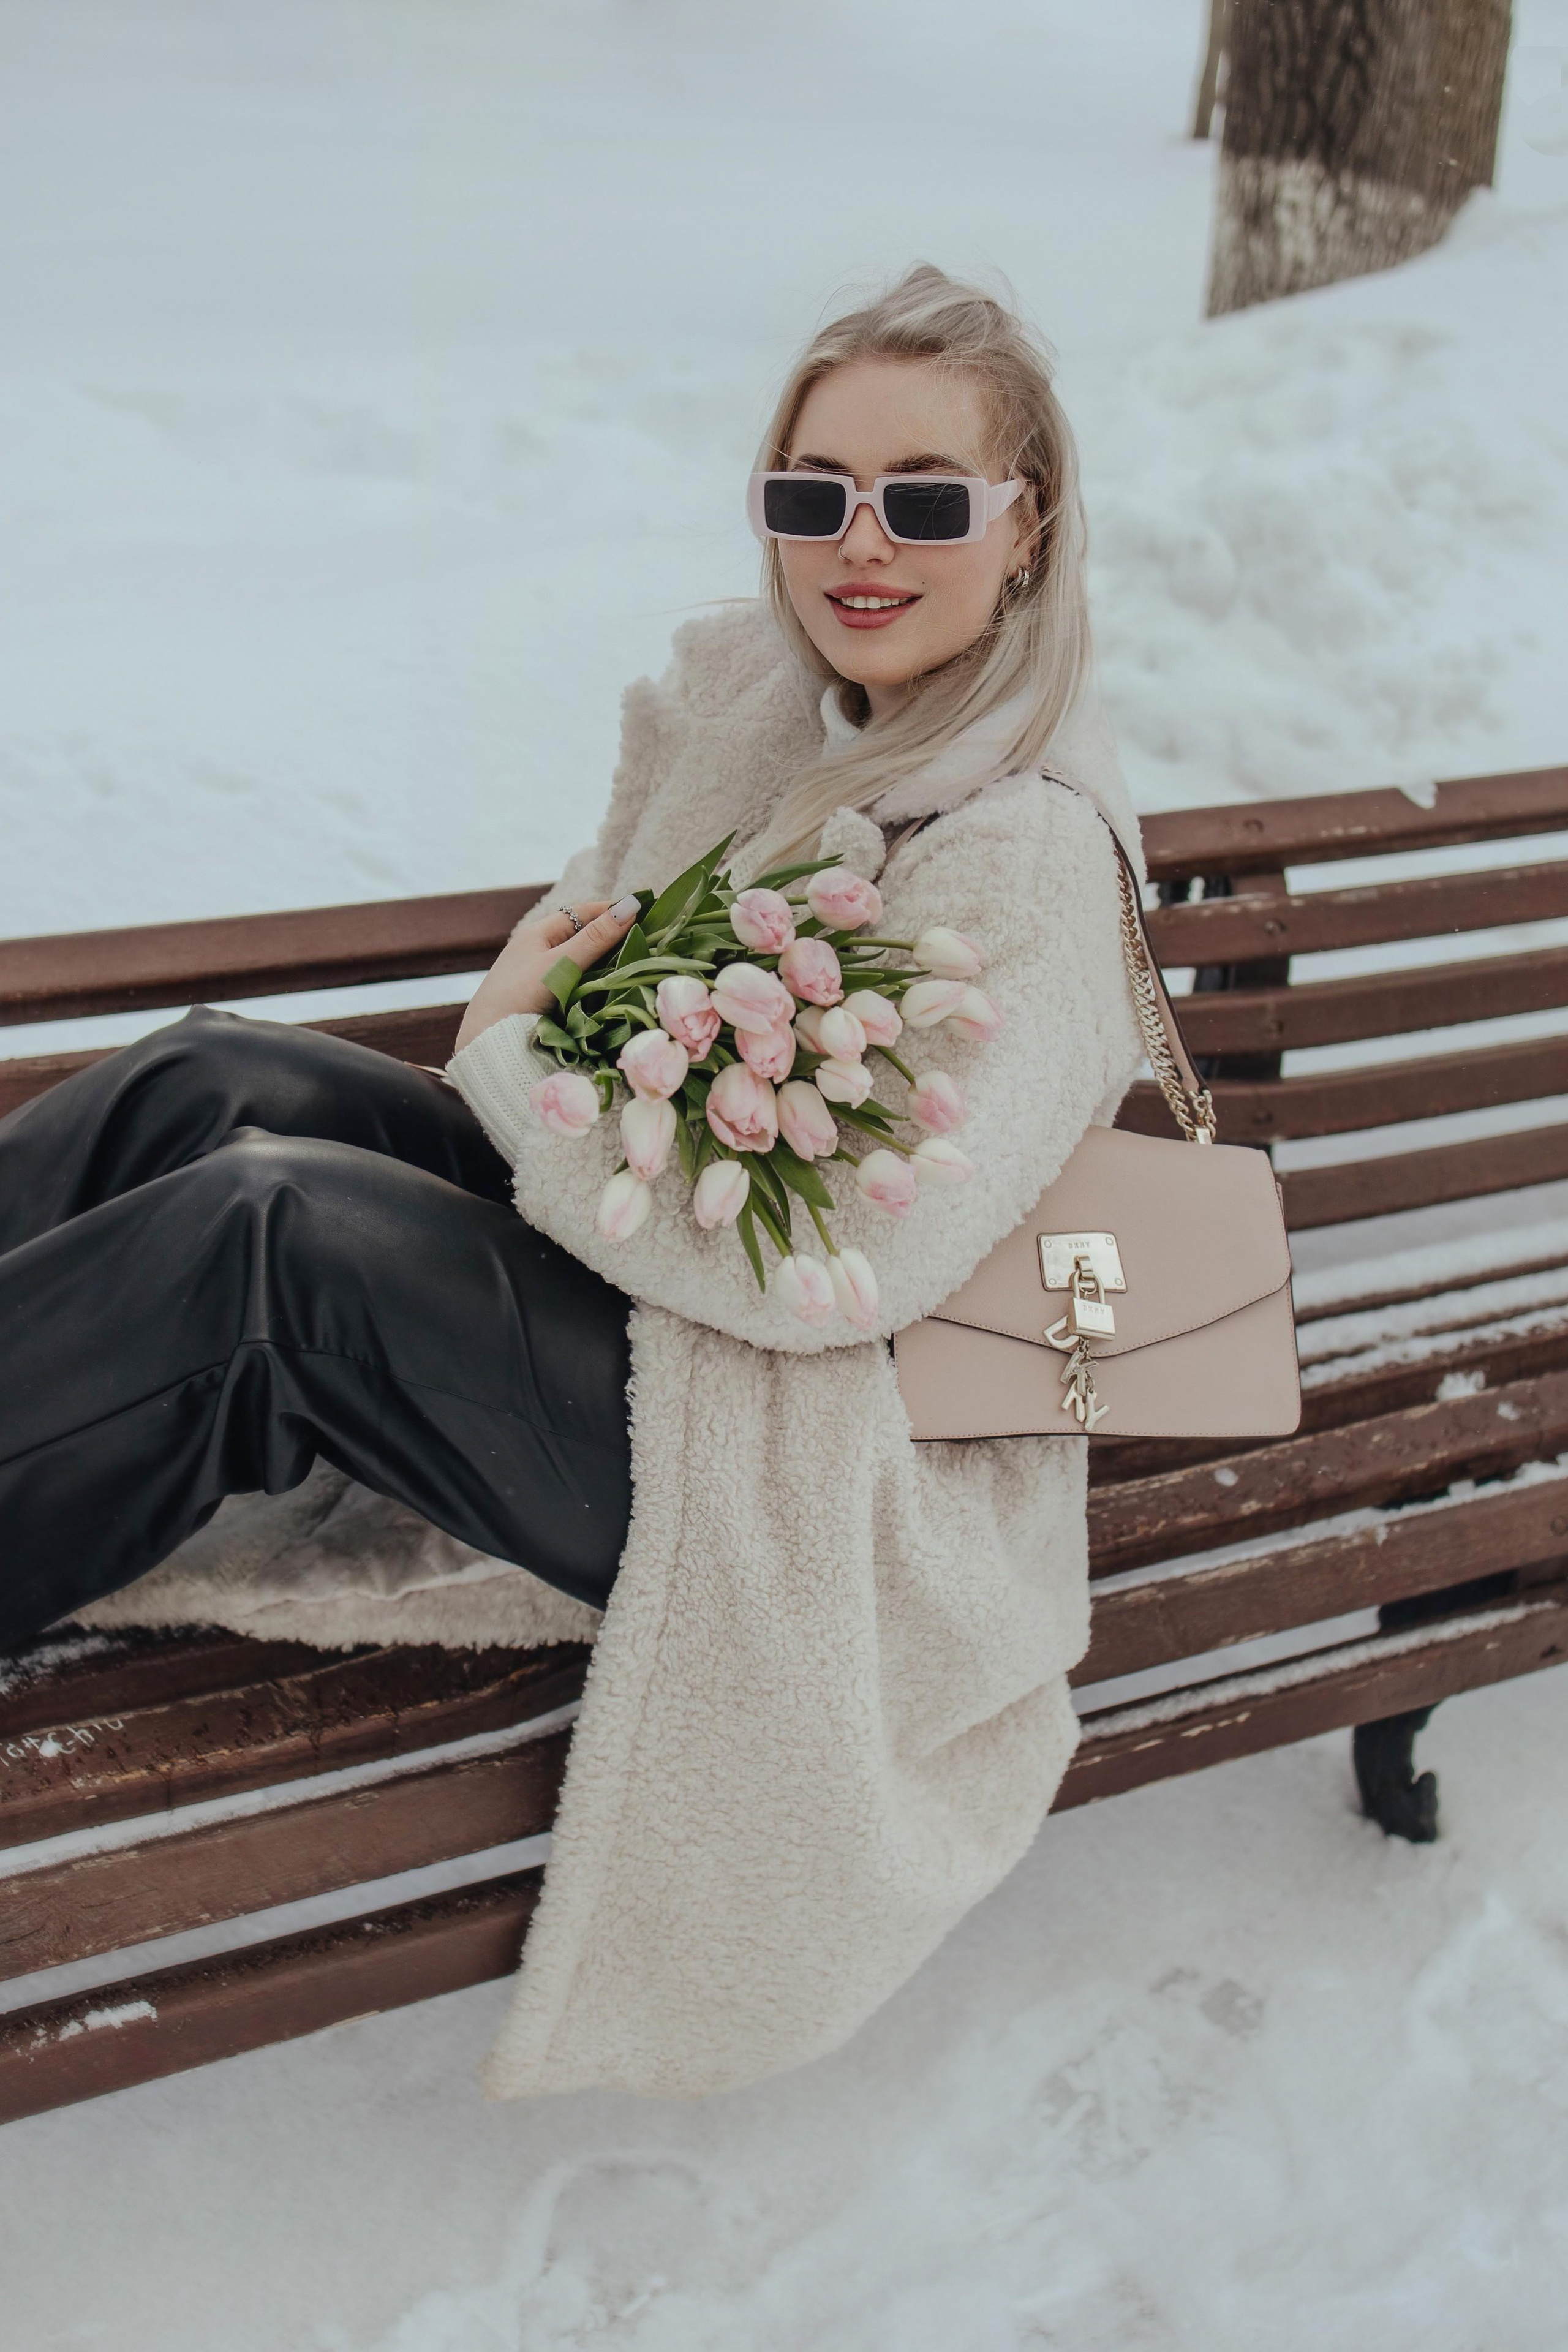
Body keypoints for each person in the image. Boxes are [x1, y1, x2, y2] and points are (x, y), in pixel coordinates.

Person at [0, 266, 1143, 1864]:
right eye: (814, 492)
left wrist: (511, 1057)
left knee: (269, 1250)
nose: (860, 542)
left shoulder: (1021, 862)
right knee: (210, 1079)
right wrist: (532, 1040)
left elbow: (831, 1266)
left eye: (925, 500)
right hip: (622, 1260)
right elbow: (580, 933)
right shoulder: (750, 698)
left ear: (1028, 525)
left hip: (785, 1448)